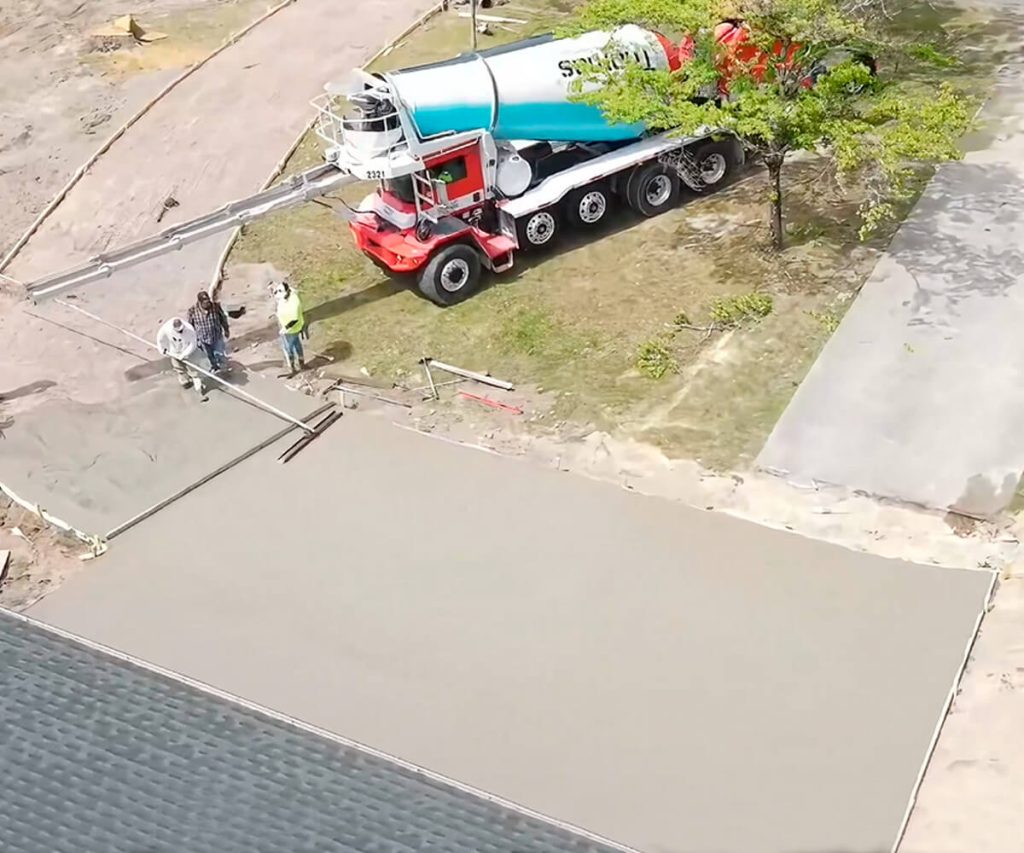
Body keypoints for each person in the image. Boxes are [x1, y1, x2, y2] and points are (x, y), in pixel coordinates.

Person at [156, 317, 204, 395]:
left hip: (188, 351)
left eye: (181, 330)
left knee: (193, 369)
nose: (180, 332)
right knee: (178, 367)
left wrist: (184, 354)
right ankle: (185, 381)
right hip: (174, 351)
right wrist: (162, 349)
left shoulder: (189, 329)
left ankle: (198, 388)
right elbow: (160, 339)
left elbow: (193, 344)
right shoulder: (166, 328)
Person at [186, 289, 230, 372]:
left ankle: (224, 370)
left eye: (208, 301)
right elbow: (190, 326)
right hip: (203, 340)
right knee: (208, 356)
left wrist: (226, 329)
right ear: (200, 302)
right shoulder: (192, 311)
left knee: (220, 354)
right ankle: (214, 367)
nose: (208, 303)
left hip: (216, 336)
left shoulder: (216, 307)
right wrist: (192, 339)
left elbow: (223, 319)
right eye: (205, 302)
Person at [273, 281, 305, 375]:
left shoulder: (294, 302)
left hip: (291, 329)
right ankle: (301, 361)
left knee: (288, 348)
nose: (277, 293)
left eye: (279, 291)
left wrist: (285, 328)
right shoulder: (287, 295)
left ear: (286, 291)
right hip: (290, 327)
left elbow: (294, 319)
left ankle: (292, 368)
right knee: (297, 343)